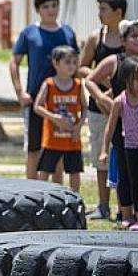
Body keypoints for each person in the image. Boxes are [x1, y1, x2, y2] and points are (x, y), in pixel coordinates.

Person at [86, 17, 138, 228]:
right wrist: (101, 98)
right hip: (123, 129)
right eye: (133, 35)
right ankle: (127, 215)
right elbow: (89, 80)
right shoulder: (114, 61)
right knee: (125, 173)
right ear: (123, 40)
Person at [9, 0, 78, 180]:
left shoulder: (67, 32)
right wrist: (20, 92)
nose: (51, 10)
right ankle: (30, 192)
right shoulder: (29, 33)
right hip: (36, 100)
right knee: (34, 148)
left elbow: (77, 64)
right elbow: (14, 62)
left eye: (54, 5)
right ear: (38, 9)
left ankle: (56, 194)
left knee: (59, 149)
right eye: (46, 6)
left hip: (63, 99)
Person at [79, 0, 126, 220]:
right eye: (99, 8)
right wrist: (101, 75)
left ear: (118, 12)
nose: (100, 13)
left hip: (126, 108)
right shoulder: (95, 38)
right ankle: (103, 205)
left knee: (124, 154)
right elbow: (81, 67)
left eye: (104, 9)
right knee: (101, 154)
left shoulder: (129, 37)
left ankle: (124, 206)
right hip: (99, 105)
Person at [100, 56, 138, 231]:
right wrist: (104, 150)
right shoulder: (120, 101)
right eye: (135, 79)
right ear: (126, 79)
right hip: (131, 148)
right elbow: (110, 127)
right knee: (135, 184)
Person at [33, 46, 86, 193]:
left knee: (74, 171)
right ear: (56, 63)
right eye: (67, 62)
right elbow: (37, 106)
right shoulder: (49, 84)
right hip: (52, 139)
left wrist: (78, 127)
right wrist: (53, 117)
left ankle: (75, 199)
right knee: (45, 170)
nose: (72, 66)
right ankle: (39, 197)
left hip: (72, 140)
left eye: (74, 62)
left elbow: (85, 108)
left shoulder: (78, 85)